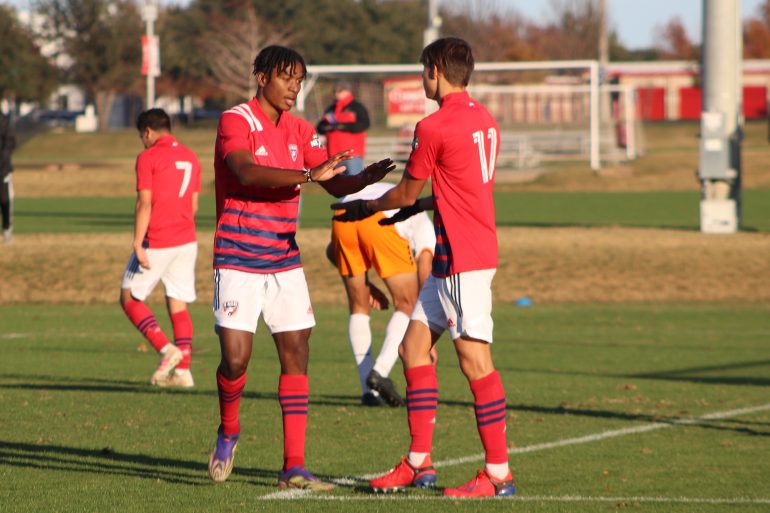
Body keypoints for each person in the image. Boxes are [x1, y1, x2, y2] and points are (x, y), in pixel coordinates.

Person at [331, 37, 516, 498]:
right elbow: (460, 189)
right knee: (413, 349)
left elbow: (404, 192)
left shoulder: (434, 125)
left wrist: (366, 206)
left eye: (422, 71)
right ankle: (418, 462)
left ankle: (498, 474)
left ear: (435, 70)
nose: (421, 79)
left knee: (475, 362)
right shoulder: (484, 118)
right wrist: (411, 209)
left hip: (462, 257)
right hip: (460, 252)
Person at [207, 45, 394, 491]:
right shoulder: (236, 120)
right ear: (261, 77)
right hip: (238, 257)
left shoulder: (302, 129)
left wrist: (362, 180)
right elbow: (246, 172)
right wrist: (309, 176)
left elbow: (330, 181)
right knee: (235, 360)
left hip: (284, 259)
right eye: (286, 77)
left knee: (296, 353)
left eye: (299, 80)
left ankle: (293, 466)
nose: (294, 87)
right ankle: (229, 431)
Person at [328, 181, 435, 407]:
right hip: (381, 219)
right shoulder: (425, 223)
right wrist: (427, 337)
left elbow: (331, 252)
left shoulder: (383, 189)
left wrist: (366, 284)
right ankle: (380, 372)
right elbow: (425, 271)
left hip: (343, 216)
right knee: (408, 303)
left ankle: (368, 391)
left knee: (358, 305)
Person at [119, 109, 201, 388]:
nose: (142, 141)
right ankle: (183, 372)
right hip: (186, 240)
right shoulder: (191, 156)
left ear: (148, 132)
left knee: (129, 297)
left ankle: (167, 349)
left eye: (141, 136)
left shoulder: (148, 157)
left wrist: (137, 242)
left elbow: (144, 202)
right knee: (177, 301)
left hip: (157, 239)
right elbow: (193, 205)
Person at [316, 81, 370, 175]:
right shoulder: (331, 109)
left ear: (348, 91)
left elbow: (364, 124)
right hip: (334, 156)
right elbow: (320, 127)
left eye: (339, 91)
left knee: (355, 181)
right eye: (335, 91)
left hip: (352, 155)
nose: (336, 93)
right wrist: (329, 127)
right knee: (338, 183)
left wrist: (343, 126)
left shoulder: (357, 107)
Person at [0, 109, 15, 244]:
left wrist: (2, 162)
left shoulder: (4, 121)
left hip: (2, 169)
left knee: (4, 200)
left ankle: (7, 230)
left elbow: (10, 143)